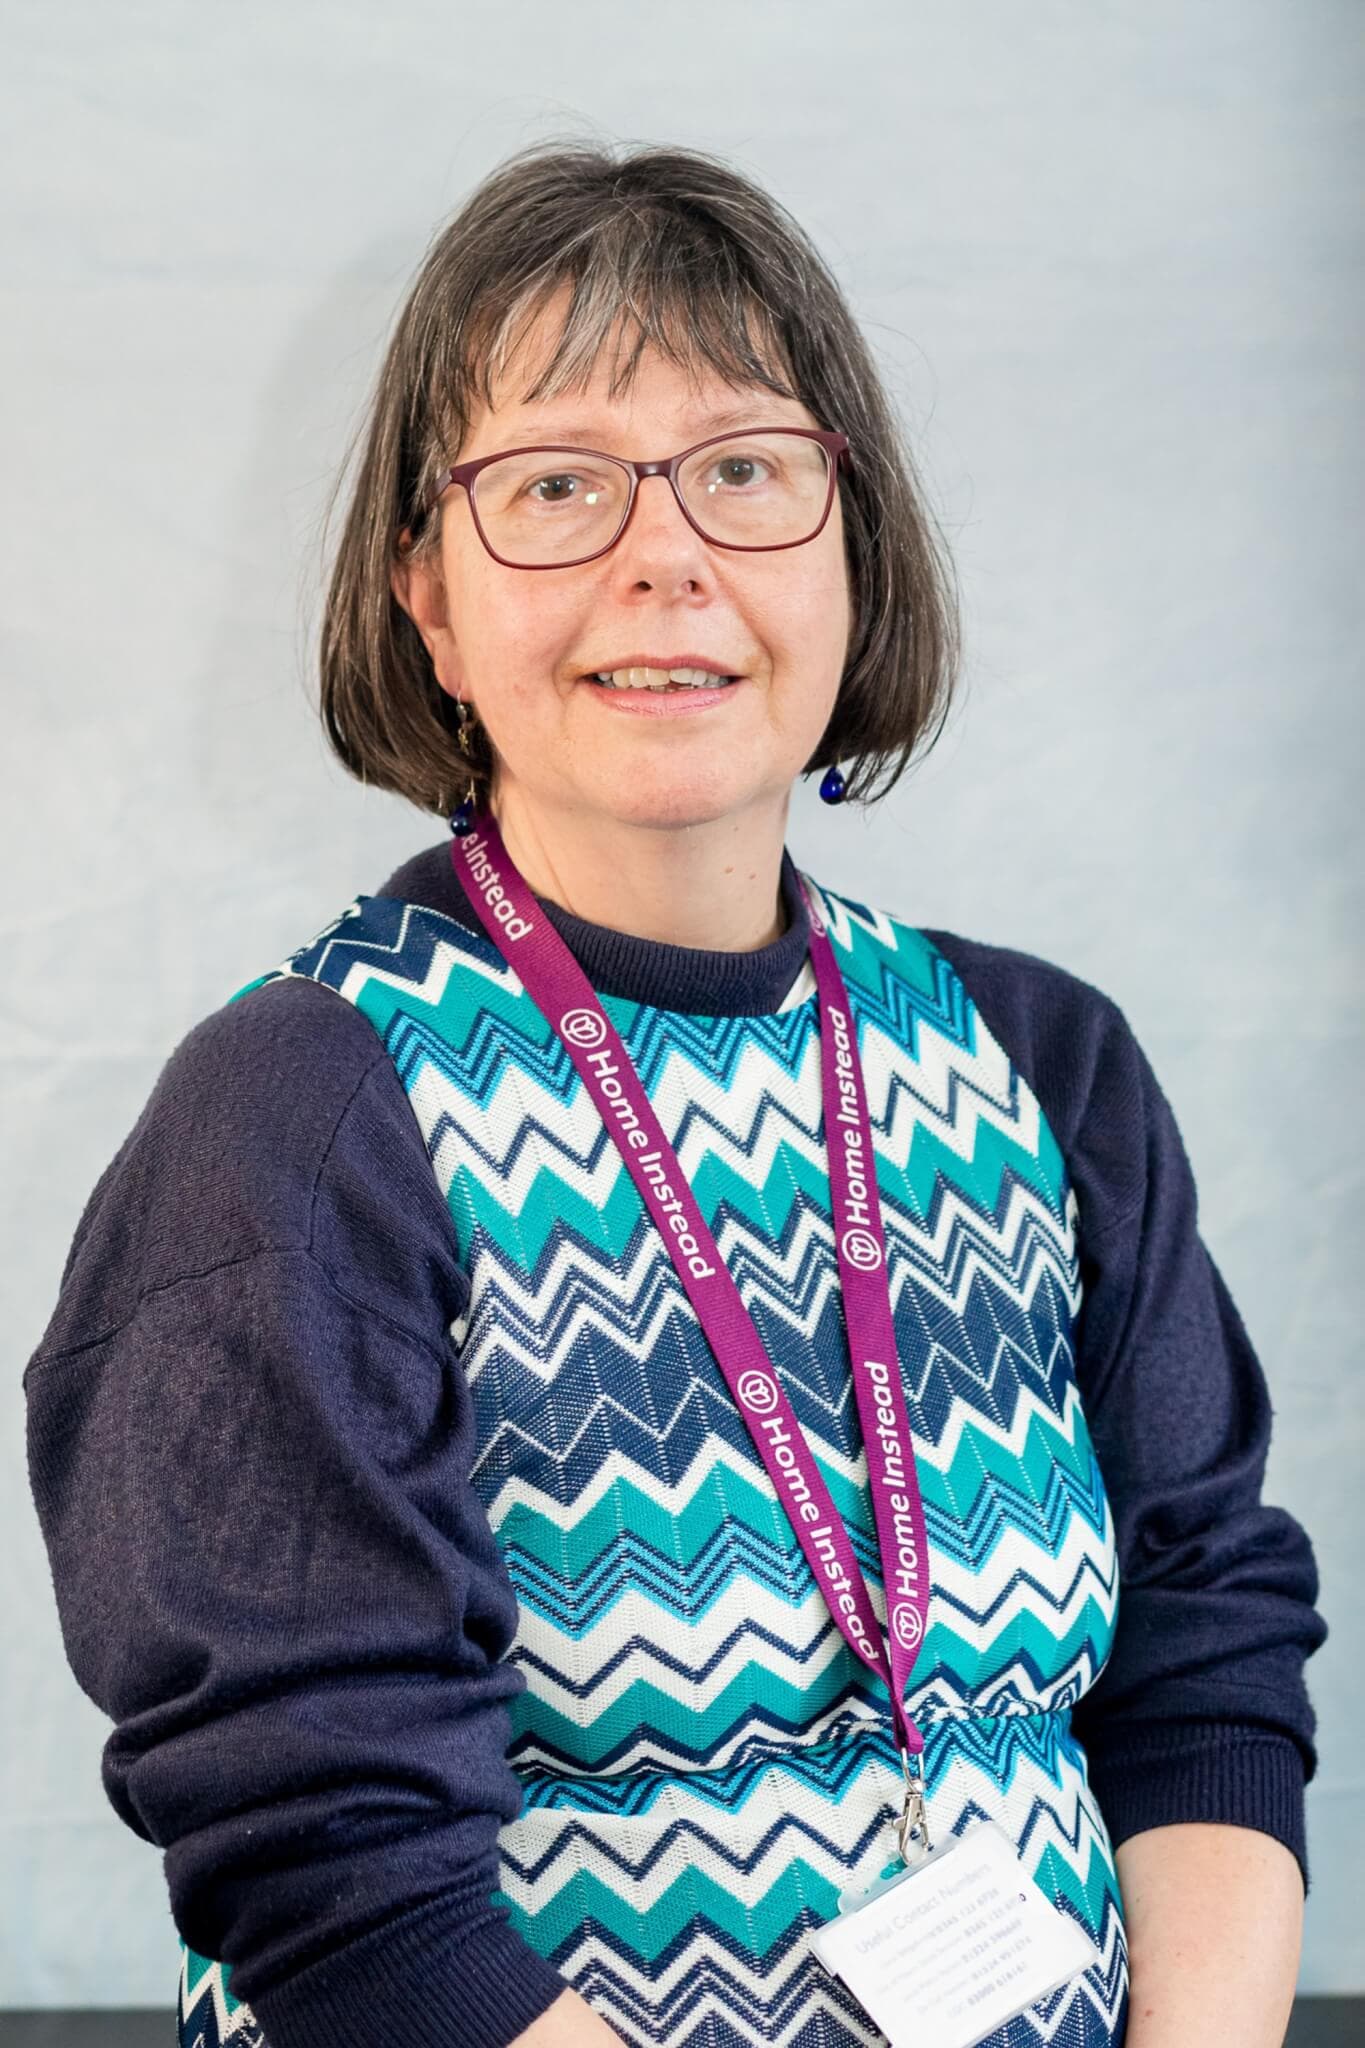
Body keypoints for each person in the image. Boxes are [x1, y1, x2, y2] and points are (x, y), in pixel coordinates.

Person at [23, 140, 1325, 2048]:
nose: (665, 552)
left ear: (851, 549)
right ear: (427, 604)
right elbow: (330, 1869)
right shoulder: (300, 1121)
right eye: (554, 485)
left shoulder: (1041, 1065)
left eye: (744, 469)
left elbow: (1203, 1655)